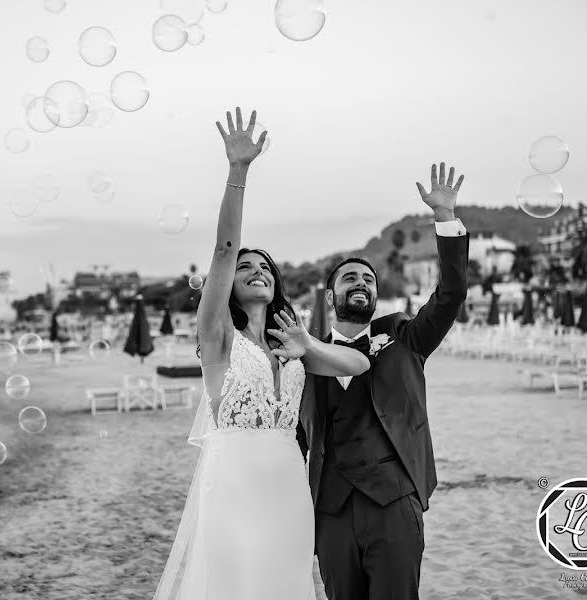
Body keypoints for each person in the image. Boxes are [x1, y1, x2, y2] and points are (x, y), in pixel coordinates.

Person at [152, 107, 370, 600]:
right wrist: (239, 169)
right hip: (233, 480)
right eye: (247, 267)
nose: (257, 270)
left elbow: (359, 365)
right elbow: (224, 249)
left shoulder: (289, 346)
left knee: (285, 585)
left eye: (266, 267)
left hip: (289, 483)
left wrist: (307, 346)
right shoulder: (219, 336)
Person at [297, 163, 469, 599]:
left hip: (393, 506)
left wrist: (445, 218)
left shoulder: (406, 338)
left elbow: (450, 295)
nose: (361, 283)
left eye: (368, 279)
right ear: (332, 295)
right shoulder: (302, 357)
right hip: (330, 512)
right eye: (349, 278)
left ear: (375, 295)